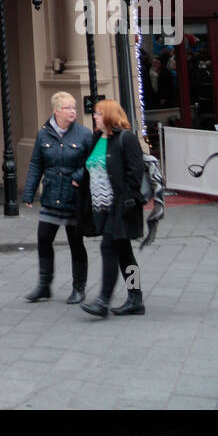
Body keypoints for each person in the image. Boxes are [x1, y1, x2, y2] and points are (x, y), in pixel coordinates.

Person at [74, 99, 147, 318]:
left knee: (109, 248)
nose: (94, 116)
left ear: (108, 115)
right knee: (125, 253)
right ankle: (136, 298)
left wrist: (126, 201)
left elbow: (135, 173)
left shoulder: (126, 139)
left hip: (121, 207)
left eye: (97, 113)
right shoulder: (97, 138)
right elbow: (91, 167)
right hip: (101, 206)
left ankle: (103, 301)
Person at [22, 91, 89, 304]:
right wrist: (29, 191)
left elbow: (91, 162)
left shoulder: (84, 134)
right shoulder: (44, 134)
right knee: (43, 238)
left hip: (73, 196)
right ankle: (44, 286)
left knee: (75, 242)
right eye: (68, 108)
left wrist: (78, 176)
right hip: (51, 194)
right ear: (56, 111)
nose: (73, 112)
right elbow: (36, 164)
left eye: (74, 108)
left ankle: (78, 287)